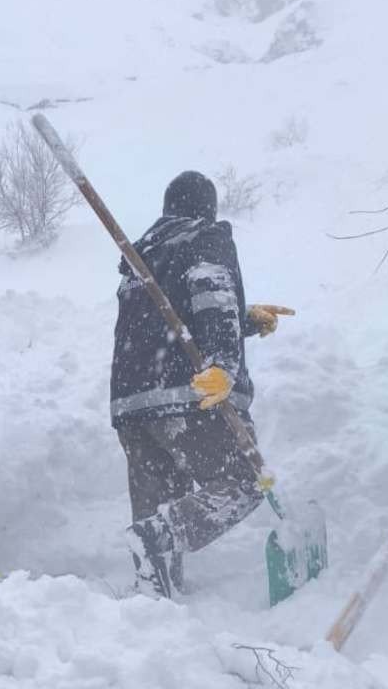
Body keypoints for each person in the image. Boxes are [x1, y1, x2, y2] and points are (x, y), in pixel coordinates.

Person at [111, 171, 292, 598]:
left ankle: (154, 600)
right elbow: (212, 297)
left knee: (160, 506)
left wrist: (244, 320)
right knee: (247, 480)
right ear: (207, 208)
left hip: (133, 406)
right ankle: (159, 537)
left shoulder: (143, 256)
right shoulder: (205, 236)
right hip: (188, 397)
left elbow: (168, 320)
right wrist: (224, 364)